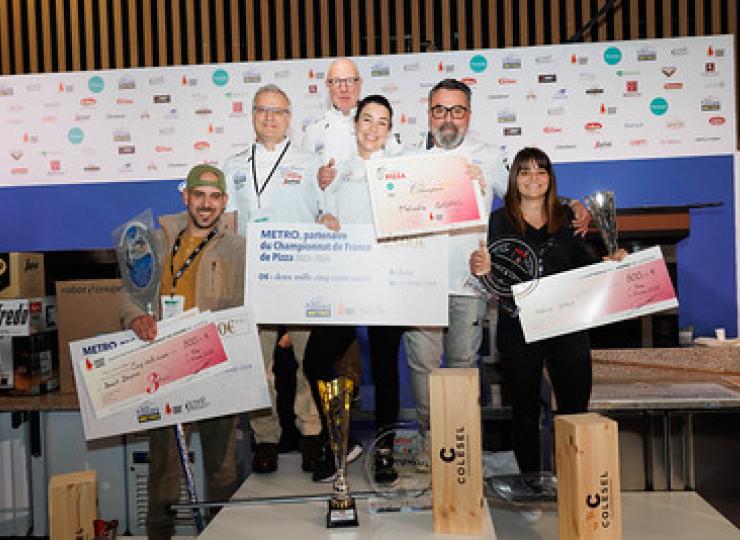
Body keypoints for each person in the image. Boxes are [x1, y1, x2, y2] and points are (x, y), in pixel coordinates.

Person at [403, 79, 591, 436]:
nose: (448, 118)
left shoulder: (488, 155)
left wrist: (570, 203)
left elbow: (529, 190)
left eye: (457, 110)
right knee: (422, 367)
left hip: (468, 281)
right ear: (428, 113)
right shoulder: (407, 155)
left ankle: (460, 446)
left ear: (468, 115)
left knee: (462, 366)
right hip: (418, 280)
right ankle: (430, 440)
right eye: (440, 109)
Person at [469, 147, 626, 473]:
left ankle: (577, 480)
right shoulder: (498, 221)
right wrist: (483, 271)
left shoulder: (568, 218)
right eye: (524, 172)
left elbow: (583, 263)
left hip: (567, 324)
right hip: (518, 325)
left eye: (541, 171)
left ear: (550, 178)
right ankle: (530, 483)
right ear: (514, 180)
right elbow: (496, 278)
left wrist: (607, 263)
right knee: (524, 411)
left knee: (574, 407)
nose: (533, 178)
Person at [118, 164, 244, 540]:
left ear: (223, 202)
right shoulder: (153, 240)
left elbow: (248, 305)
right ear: (185, 197)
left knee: (222, 469)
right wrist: (137, 316)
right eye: (199, 195)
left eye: (215, 197)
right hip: (166, 366)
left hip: (216, 365)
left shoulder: (239, 249)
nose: (206, 205)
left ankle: (222, 534)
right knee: (164, 469)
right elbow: (128, 292)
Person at [221, 84, 324, 474]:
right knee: (257, 365)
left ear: (289, 118)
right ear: (251, 115)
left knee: (308, 362)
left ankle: (311, 432)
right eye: (262, 110)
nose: (269, 117)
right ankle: (266, 437)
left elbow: (323, 216)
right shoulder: (232, 165)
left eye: (277, 111)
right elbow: (229, 228)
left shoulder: (311, 164)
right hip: (254, 279)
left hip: (301, 276)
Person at [305, 94, 404, 484]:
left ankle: (384, 451)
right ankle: (339, 444)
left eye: (382, 122)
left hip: (385, 283)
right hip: (343, 283)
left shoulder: (400, 170)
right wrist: (324, 216)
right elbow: (322, 216)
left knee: (384, 368)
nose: (373, 129)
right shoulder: (334, 173)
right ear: (355, 124)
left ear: (389, 130)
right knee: (315, 361)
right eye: (367, 120)